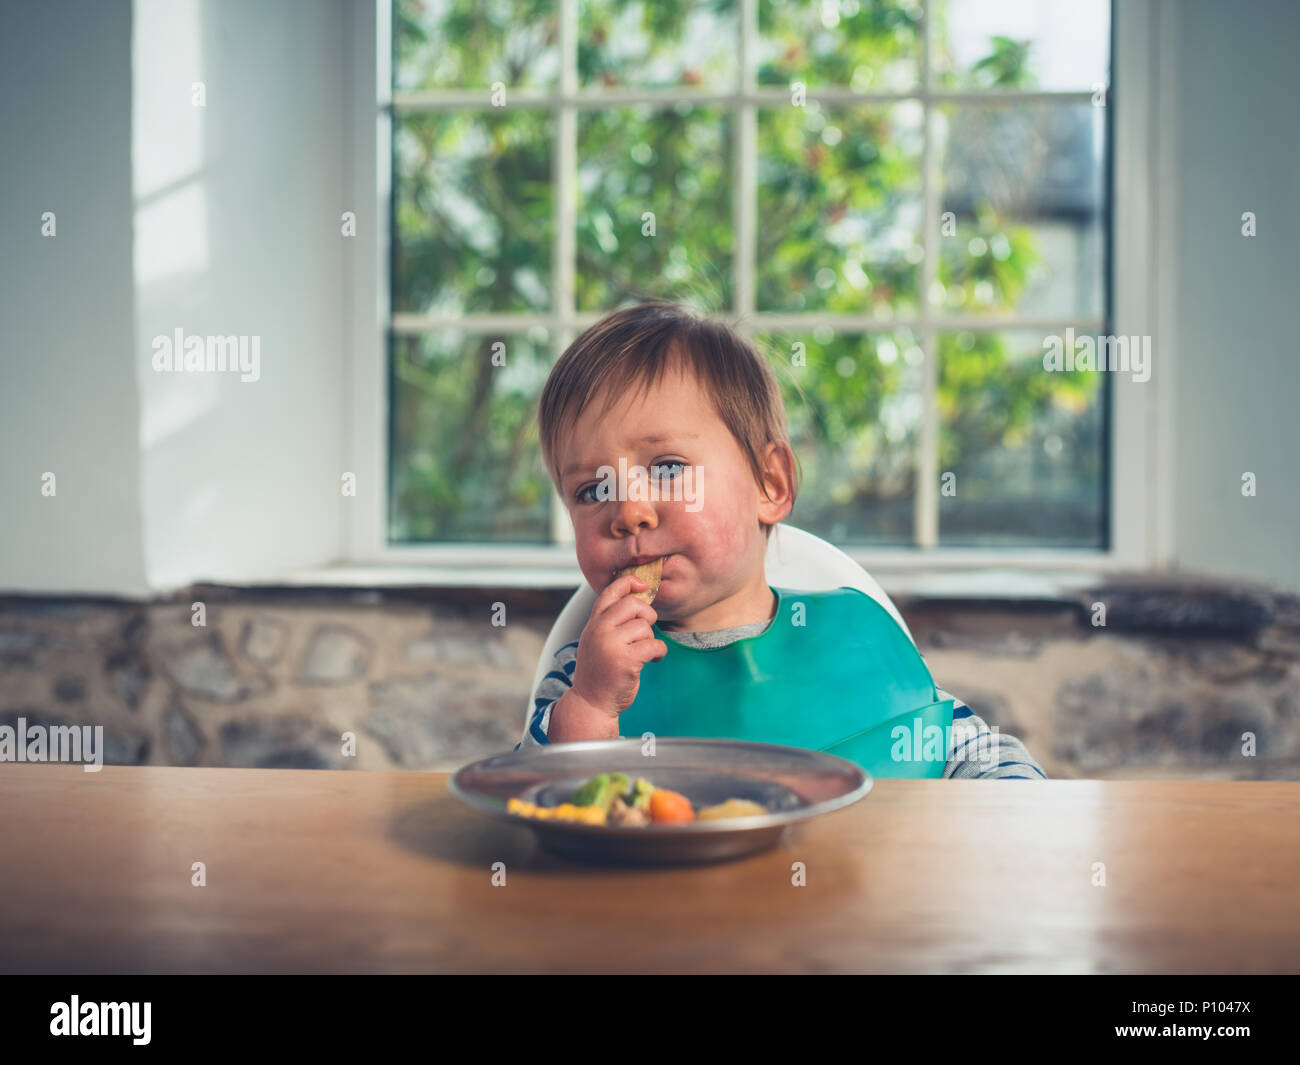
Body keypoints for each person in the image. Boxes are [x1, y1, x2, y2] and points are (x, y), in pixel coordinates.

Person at [515, 301, 1045, 780]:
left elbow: (976, 754)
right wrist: (590, 708)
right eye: (590, 490)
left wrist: (1017, 805)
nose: (628, 512)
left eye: (669, 468)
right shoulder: (582, 675)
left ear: (770, 484)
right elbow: (536, 802)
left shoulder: (856, 637)